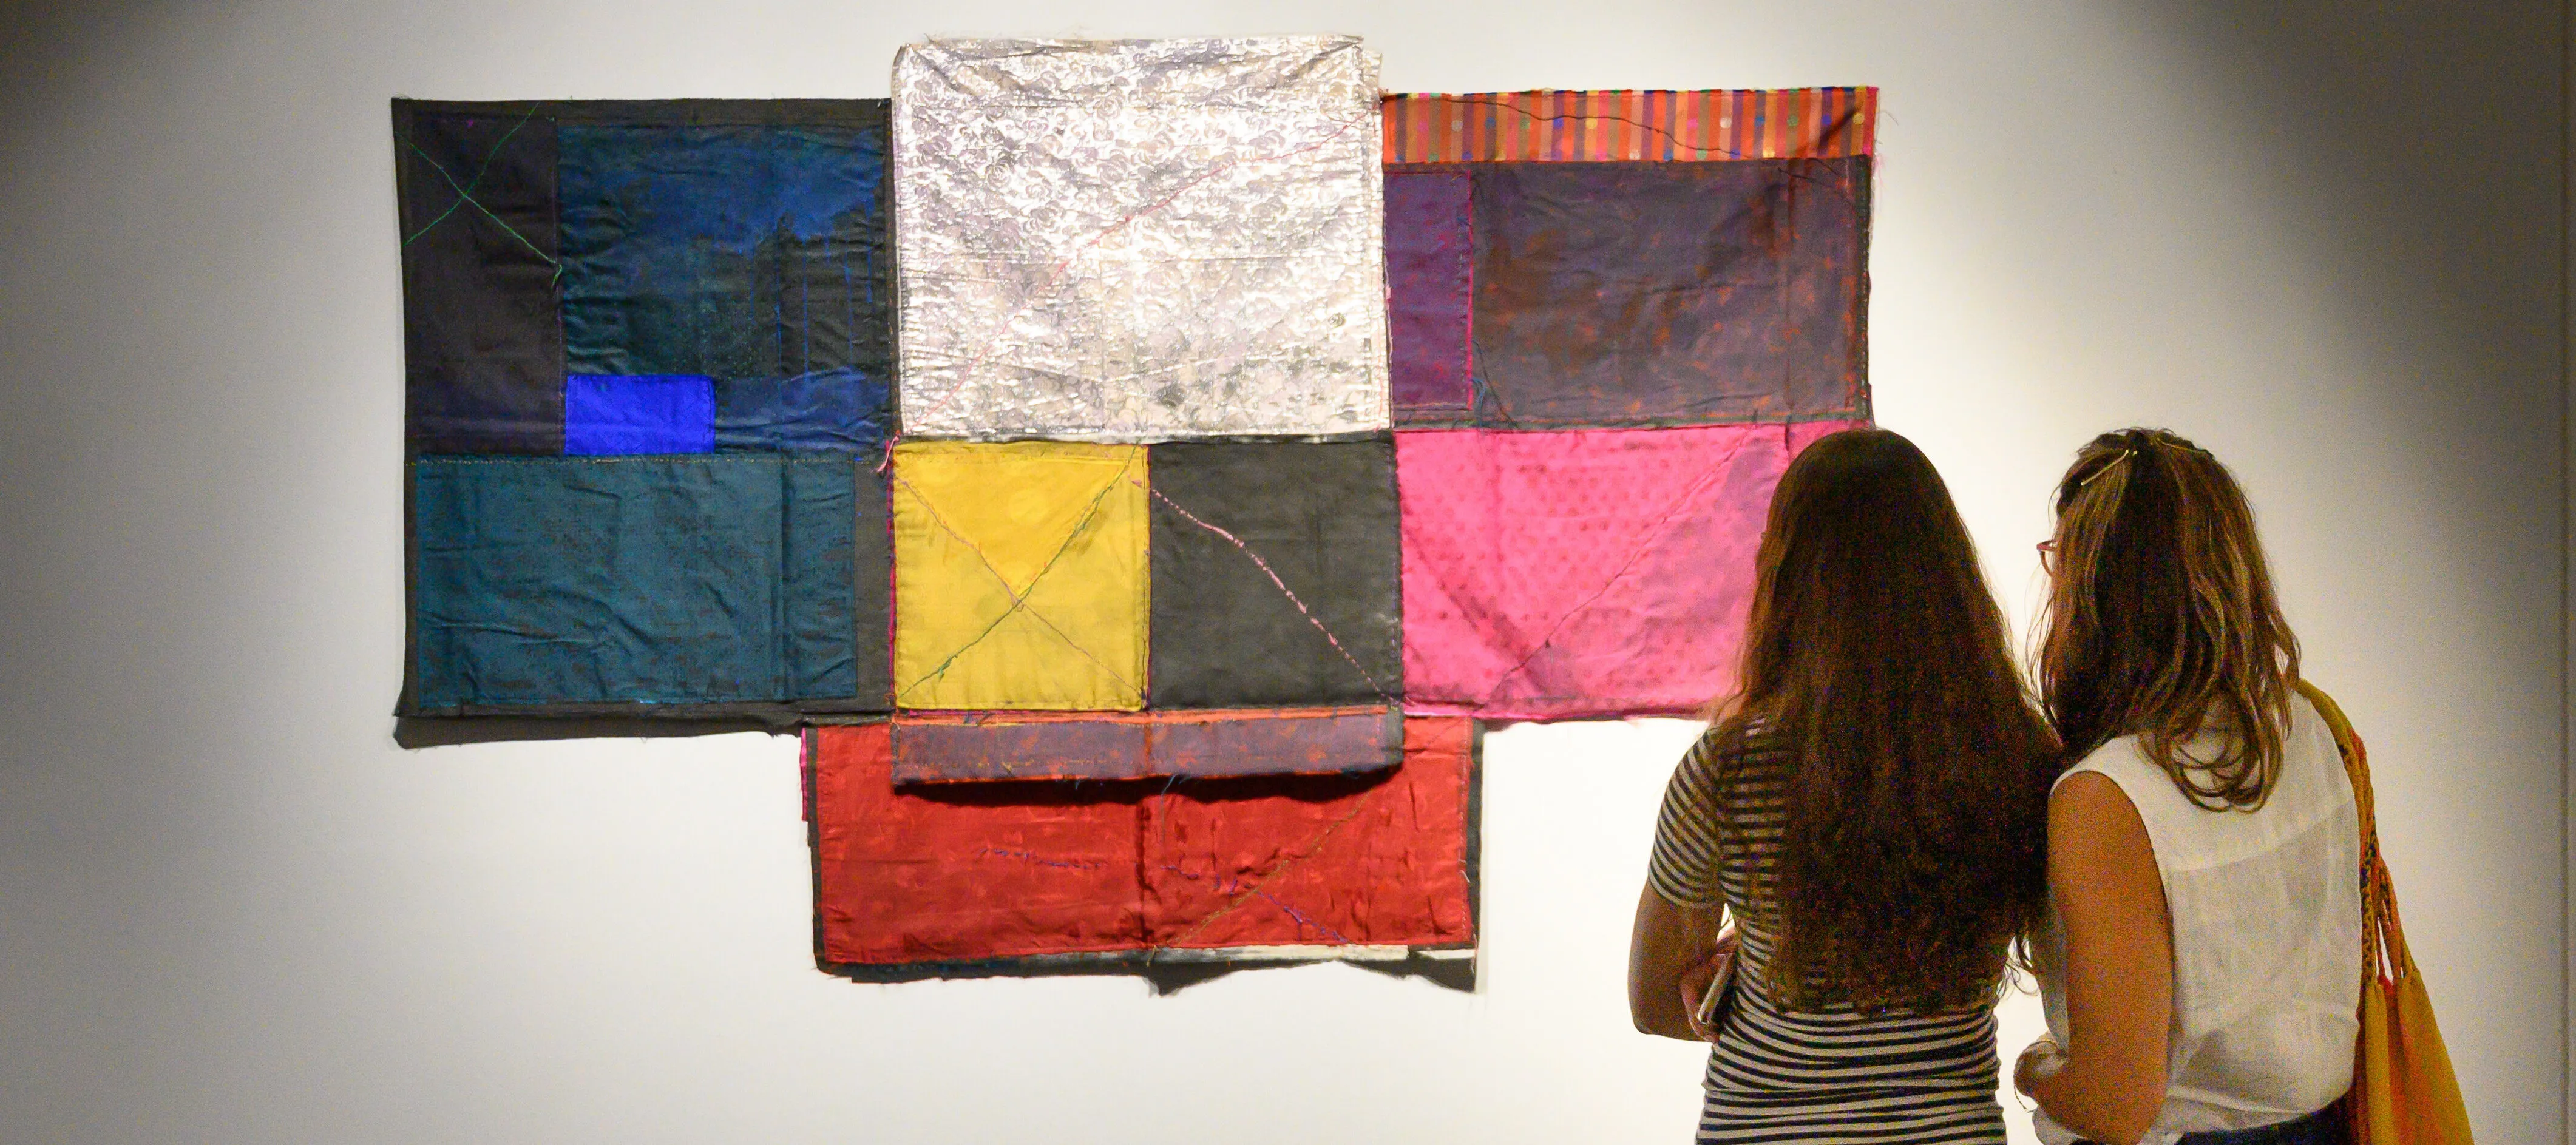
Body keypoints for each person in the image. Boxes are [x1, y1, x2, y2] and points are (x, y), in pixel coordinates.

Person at [1629, 428, 2060, 1144]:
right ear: (1946, 573)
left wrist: (1752, 970)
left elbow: (1653, 1003)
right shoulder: (2016, 754)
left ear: (1786, 575)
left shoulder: (1725, 772)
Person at [2014, 428, 2361, 1145]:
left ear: (2093, 590)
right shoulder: (2307, 724)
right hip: (2326, 1127)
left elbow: (2115, 1105)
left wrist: (2033, 1073)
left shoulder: (2106, 797)